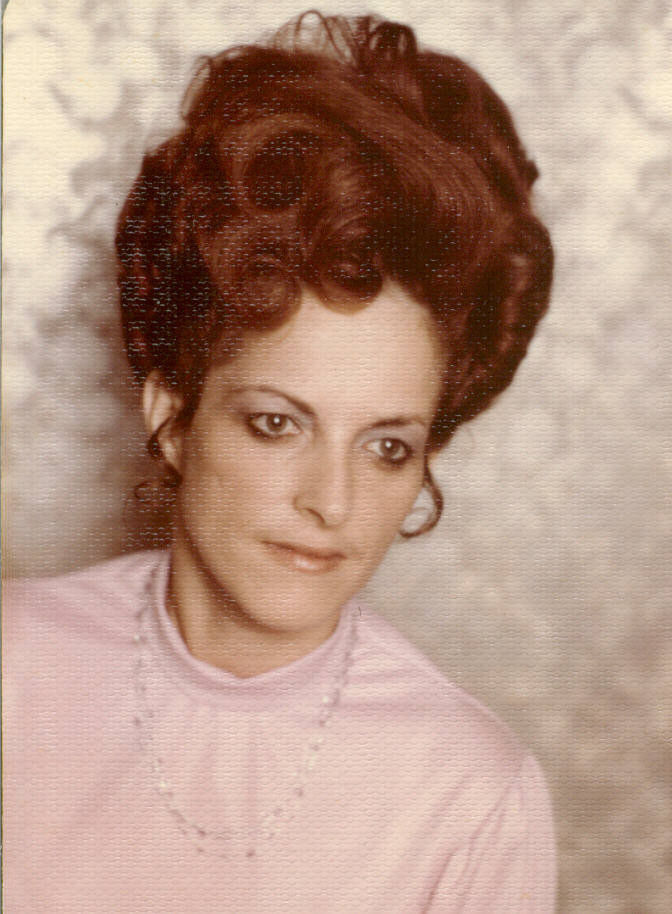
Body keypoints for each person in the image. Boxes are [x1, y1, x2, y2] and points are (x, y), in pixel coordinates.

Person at [2, 12, 556, 912]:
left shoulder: (471, 793)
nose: (332, 501)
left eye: (387, 447)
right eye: (277, 424)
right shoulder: (14, 668)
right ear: (173, 417)